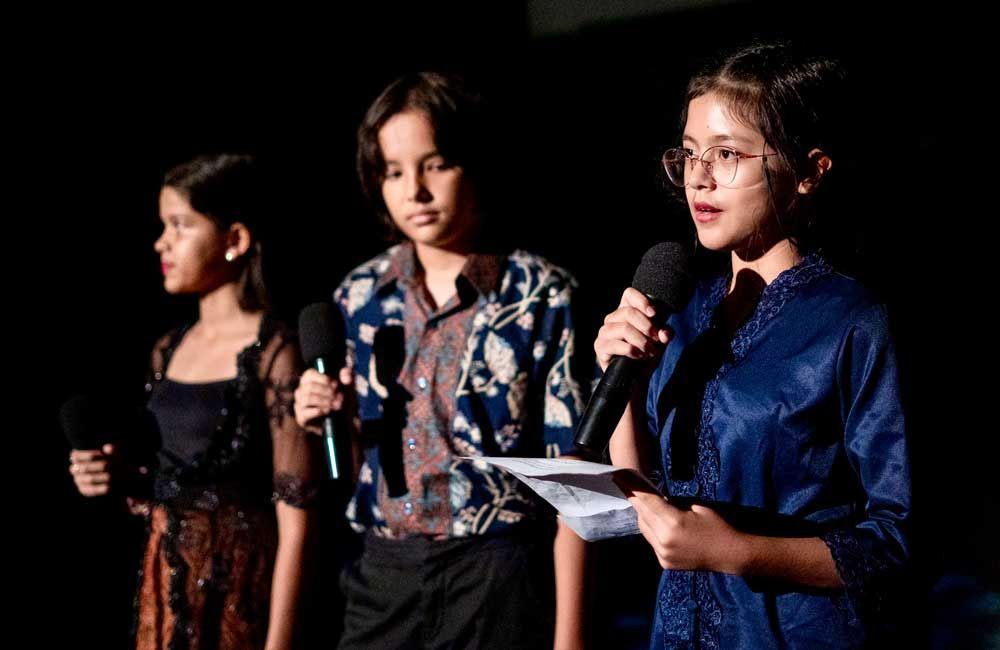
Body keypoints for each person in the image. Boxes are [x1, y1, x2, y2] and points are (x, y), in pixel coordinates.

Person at [597, 43, 911, 648]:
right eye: (689, 154)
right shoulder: (684, 312)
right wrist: (627, 381)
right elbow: (650, 508)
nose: (699, 177)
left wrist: (738, 551)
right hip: (678, 631)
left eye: (729, 154)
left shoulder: (852, 319)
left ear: (810, 170)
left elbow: (895, 544)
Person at [293, 72, 589, 649]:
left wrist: (571, 636)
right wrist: (322, 414)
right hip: (382, 572)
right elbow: (355, 464)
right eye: (394, 172)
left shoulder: (539, 293)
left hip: (495, 574)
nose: (415, 191)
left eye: (435, 164)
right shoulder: (358, 295)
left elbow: (573, 480)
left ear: (473, 163)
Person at [69, 153, 321, 650]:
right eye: (164, 226)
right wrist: (113, 476)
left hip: (239, 601)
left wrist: (281, 642)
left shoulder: (274, 351)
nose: (162, 242)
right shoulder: (168, 348)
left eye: (181, 226)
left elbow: (297, 518)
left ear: (235, 240)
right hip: (165, 595)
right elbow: (168, 487)